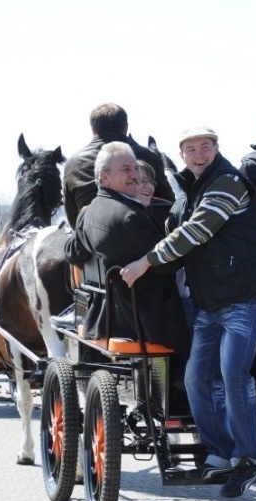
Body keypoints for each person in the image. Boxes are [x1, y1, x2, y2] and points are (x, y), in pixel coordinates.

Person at [120, 127, 256, 499]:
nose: (198, 154)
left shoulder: (228, 182)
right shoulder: (190, 188)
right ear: (183, 154)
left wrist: (146, 261)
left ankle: (249, 458)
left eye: (205, 147)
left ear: (216, 149)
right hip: (210, 301)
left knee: (232, 374)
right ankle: (219, 452)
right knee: (195, 378)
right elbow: (173, 226)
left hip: (245, 296)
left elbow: (197, 231)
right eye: (190, 149)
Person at [64, 142, 188, 352]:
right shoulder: (129, 216)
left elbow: (72, 252)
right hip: (149, 319)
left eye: (136, 168)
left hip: (108, 313)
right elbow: (171, 262)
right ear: (104, 177)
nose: (135, 175)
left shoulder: (90, 210)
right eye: (125, 170)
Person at [62, 103, 175, 228]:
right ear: (126, 128)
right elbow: (169, 204)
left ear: (93, 130)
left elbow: (72, 218)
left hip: (90, 237)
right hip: (143, 235)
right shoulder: (148, 156)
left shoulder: (72, 163)